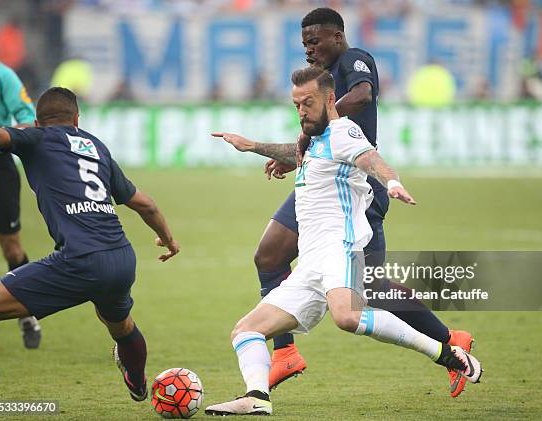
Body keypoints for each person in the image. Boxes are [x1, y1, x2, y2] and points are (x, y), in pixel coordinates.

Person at [206, 67, 482, 416]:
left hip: (341, 249)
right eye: (296, 105)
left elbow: (370, 159)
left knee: (347, 317)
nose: (301, 110)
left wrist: (392, 182)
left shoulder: (343, 131)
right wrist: (253, 147)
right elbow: (299, 152)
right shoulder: (316, 140)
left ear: (330, 99)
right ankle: (257, 397)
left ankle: (445, 353)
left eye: (308, 102)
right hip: (310, 263)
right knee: (245, 330)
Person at [253, 7, 473, 397]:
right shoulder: (321, 81)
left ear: (337, 37)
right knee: (269, 256)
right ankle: (285, 353)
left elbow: (364, 94)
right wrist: (306, 147)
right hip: (323, 185)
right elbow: (324, 131)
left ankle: (451, 339)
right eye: (304, 43)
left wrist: (320, 128)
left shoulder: (355, 60)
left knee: (372, 290)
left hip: (355, 190)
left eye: (315, 41)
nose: (309, 49)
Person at [0, 87, 180, 402]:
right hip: (121, 259)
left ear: (37, 122)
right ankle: (137, 380)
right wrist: (169, 239)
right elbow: (144, 204)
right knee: (121, 326)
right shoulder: (96, 147)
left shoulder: (38, 139)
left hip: (79, 260)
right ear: (77, 118)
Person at [0, 17, 41, 349]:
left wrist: (0, 135)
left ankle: (28, 314)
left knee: (11, 246)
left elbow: (28, 123)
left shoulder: (3, 76)